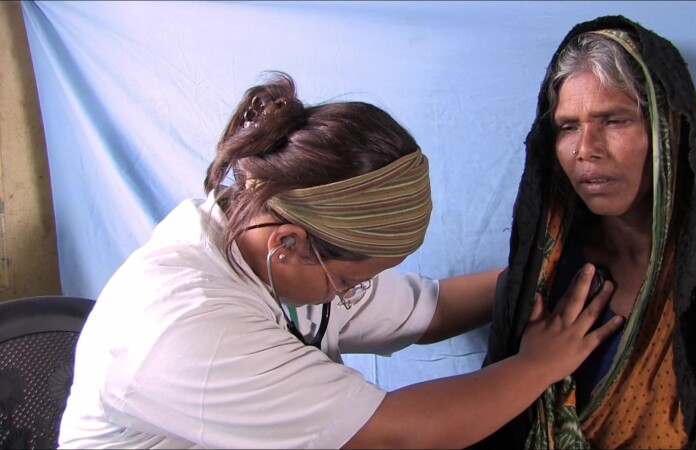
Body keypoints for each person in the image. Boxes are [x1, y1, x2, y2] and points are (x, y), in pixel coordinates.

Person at [57, 71, 621, 449]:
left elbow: (433, 310)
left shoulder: (270, 238)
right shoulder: (184, 330)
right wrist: (539, 365)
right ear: (290, 246)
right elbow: (397, 434)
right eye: (352, 280)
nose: (356, 295)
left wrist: (544, 268)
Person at [476, 15, 696, 450]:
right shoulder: (540, 277)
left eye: (614, 121)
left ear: (668, 131)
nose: (586, 149)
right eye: (568, 126)